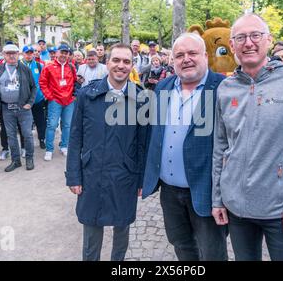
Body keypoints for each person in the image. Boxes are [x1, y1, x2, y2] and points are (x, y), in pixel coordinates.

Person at [212, 14, 283, 261]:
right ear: (232, 45)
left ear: (269, 40)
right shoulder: (226, 88)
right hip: (238, 210)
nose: (248, 43)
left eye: (256, 35)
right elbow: (221, 146)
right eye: (241, 37)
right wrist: (218, 198)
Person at [142, 33, 228, 261]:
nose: (186, 59)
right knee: (182, 246)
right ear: (172, 60)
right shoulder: (163, 87)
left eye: (192, 53)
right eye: (179, 55)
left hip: (206, 190)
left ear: (206, 56)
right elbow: (155, 133)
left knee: (212, 252)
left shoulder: (224, 87)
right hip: (169, 192)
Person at [66, 43, 146, 261]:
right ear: (107, 62)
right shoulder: (86, 95)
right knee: (91, 228)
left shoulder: (141, 98)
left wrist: (141, 180)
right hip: (92, 174)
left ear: (132, 65)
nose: (121, 66)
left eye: (126, 61)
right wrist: (74, 175)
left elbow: (142, 144)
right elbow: (75, 137)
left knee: (122, 228)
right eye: (116, 60)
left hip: (125, 175)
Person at [0, 44, 37, 172]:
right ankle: (15, 161)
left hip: (24, 108)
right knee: (11, 136)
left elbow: (34, 87)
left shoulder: (25, 69)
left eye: (14, 53)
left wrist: (30, 103)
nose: (11, 56)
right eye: (8, 53)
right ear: (3, 55)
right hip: (6, 108)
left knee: (27, 134)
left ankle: (29, 158)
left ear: (18, 54)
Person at [39, 44, 77, 161]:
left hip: (69, 101)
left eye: (66, 53)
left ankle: (64, 146)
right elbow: (42, 82)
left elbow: (75, 82)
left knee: (67, 125)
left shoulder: (71, 67)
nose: (64, 55)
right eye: (62, 52)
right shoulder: (48, 66)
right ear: (56, 53)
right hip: (55, 101)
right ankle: (49, 149)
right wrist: (50, 97)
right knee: (52, 125)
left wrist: (74, 95)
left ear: (68, 55)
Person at [21, 45, 47, 149]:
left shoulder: (39, 65)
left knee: (40, 121)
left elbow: (44, 81)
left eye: (31, 53)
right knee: (24, 124)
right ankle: (25, 144)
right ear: (22, 54)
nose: (29, 55)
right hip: (24, 100)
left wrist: (44, 94)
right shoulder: (18, 65)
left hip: (37, 99)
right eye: (27, 53)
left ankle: (41, 139)